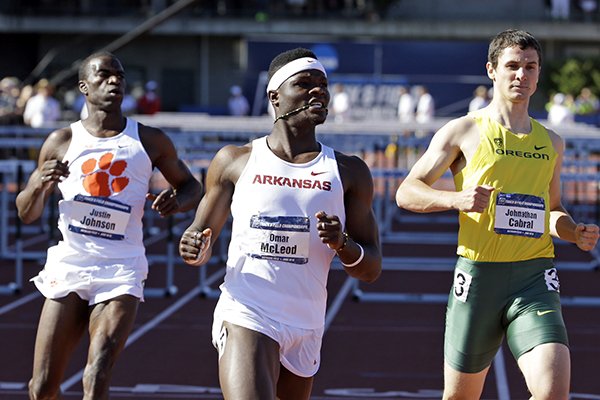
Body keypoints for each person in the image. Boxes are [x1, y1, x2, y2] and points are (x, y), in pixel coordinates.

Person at [395, 29, 599, 399]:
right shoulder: (463, 131)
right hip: (477, 279)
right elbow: (406, 191)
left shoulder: (551, 142)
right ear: (491, 70)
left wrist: (573, 232)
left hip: (534, 277)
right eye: (512, 66)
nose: (522, 75)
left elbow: (552, 210)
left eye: (531, 67)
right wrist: (456, 200)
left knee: (554, 390)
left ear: (538, 74)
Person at [179, 47, 382, 399]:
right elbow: (200, 237)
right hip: (248, 309)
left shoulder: (349, 172)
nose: (318, 91)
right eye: (305, 84)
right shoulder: (234, 161)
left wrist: (342, 244)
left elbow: (371, 268)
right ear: (275, 96)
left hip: (306, 322)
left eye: (323, 84)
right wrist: (194, 246)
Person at [16, 51, 202, 400]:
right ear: (84, 87)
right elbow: (27, 212)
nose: (114, 80)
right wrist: (38, 185)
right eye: (103, 76)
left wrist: (178, 200)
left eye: (119, 75)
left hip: (121, 267)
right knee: (41, 387)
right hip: (70, 263)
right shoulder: (61, 141)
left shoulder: (149, 140)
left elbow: (192, 186)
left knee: (97, 372)